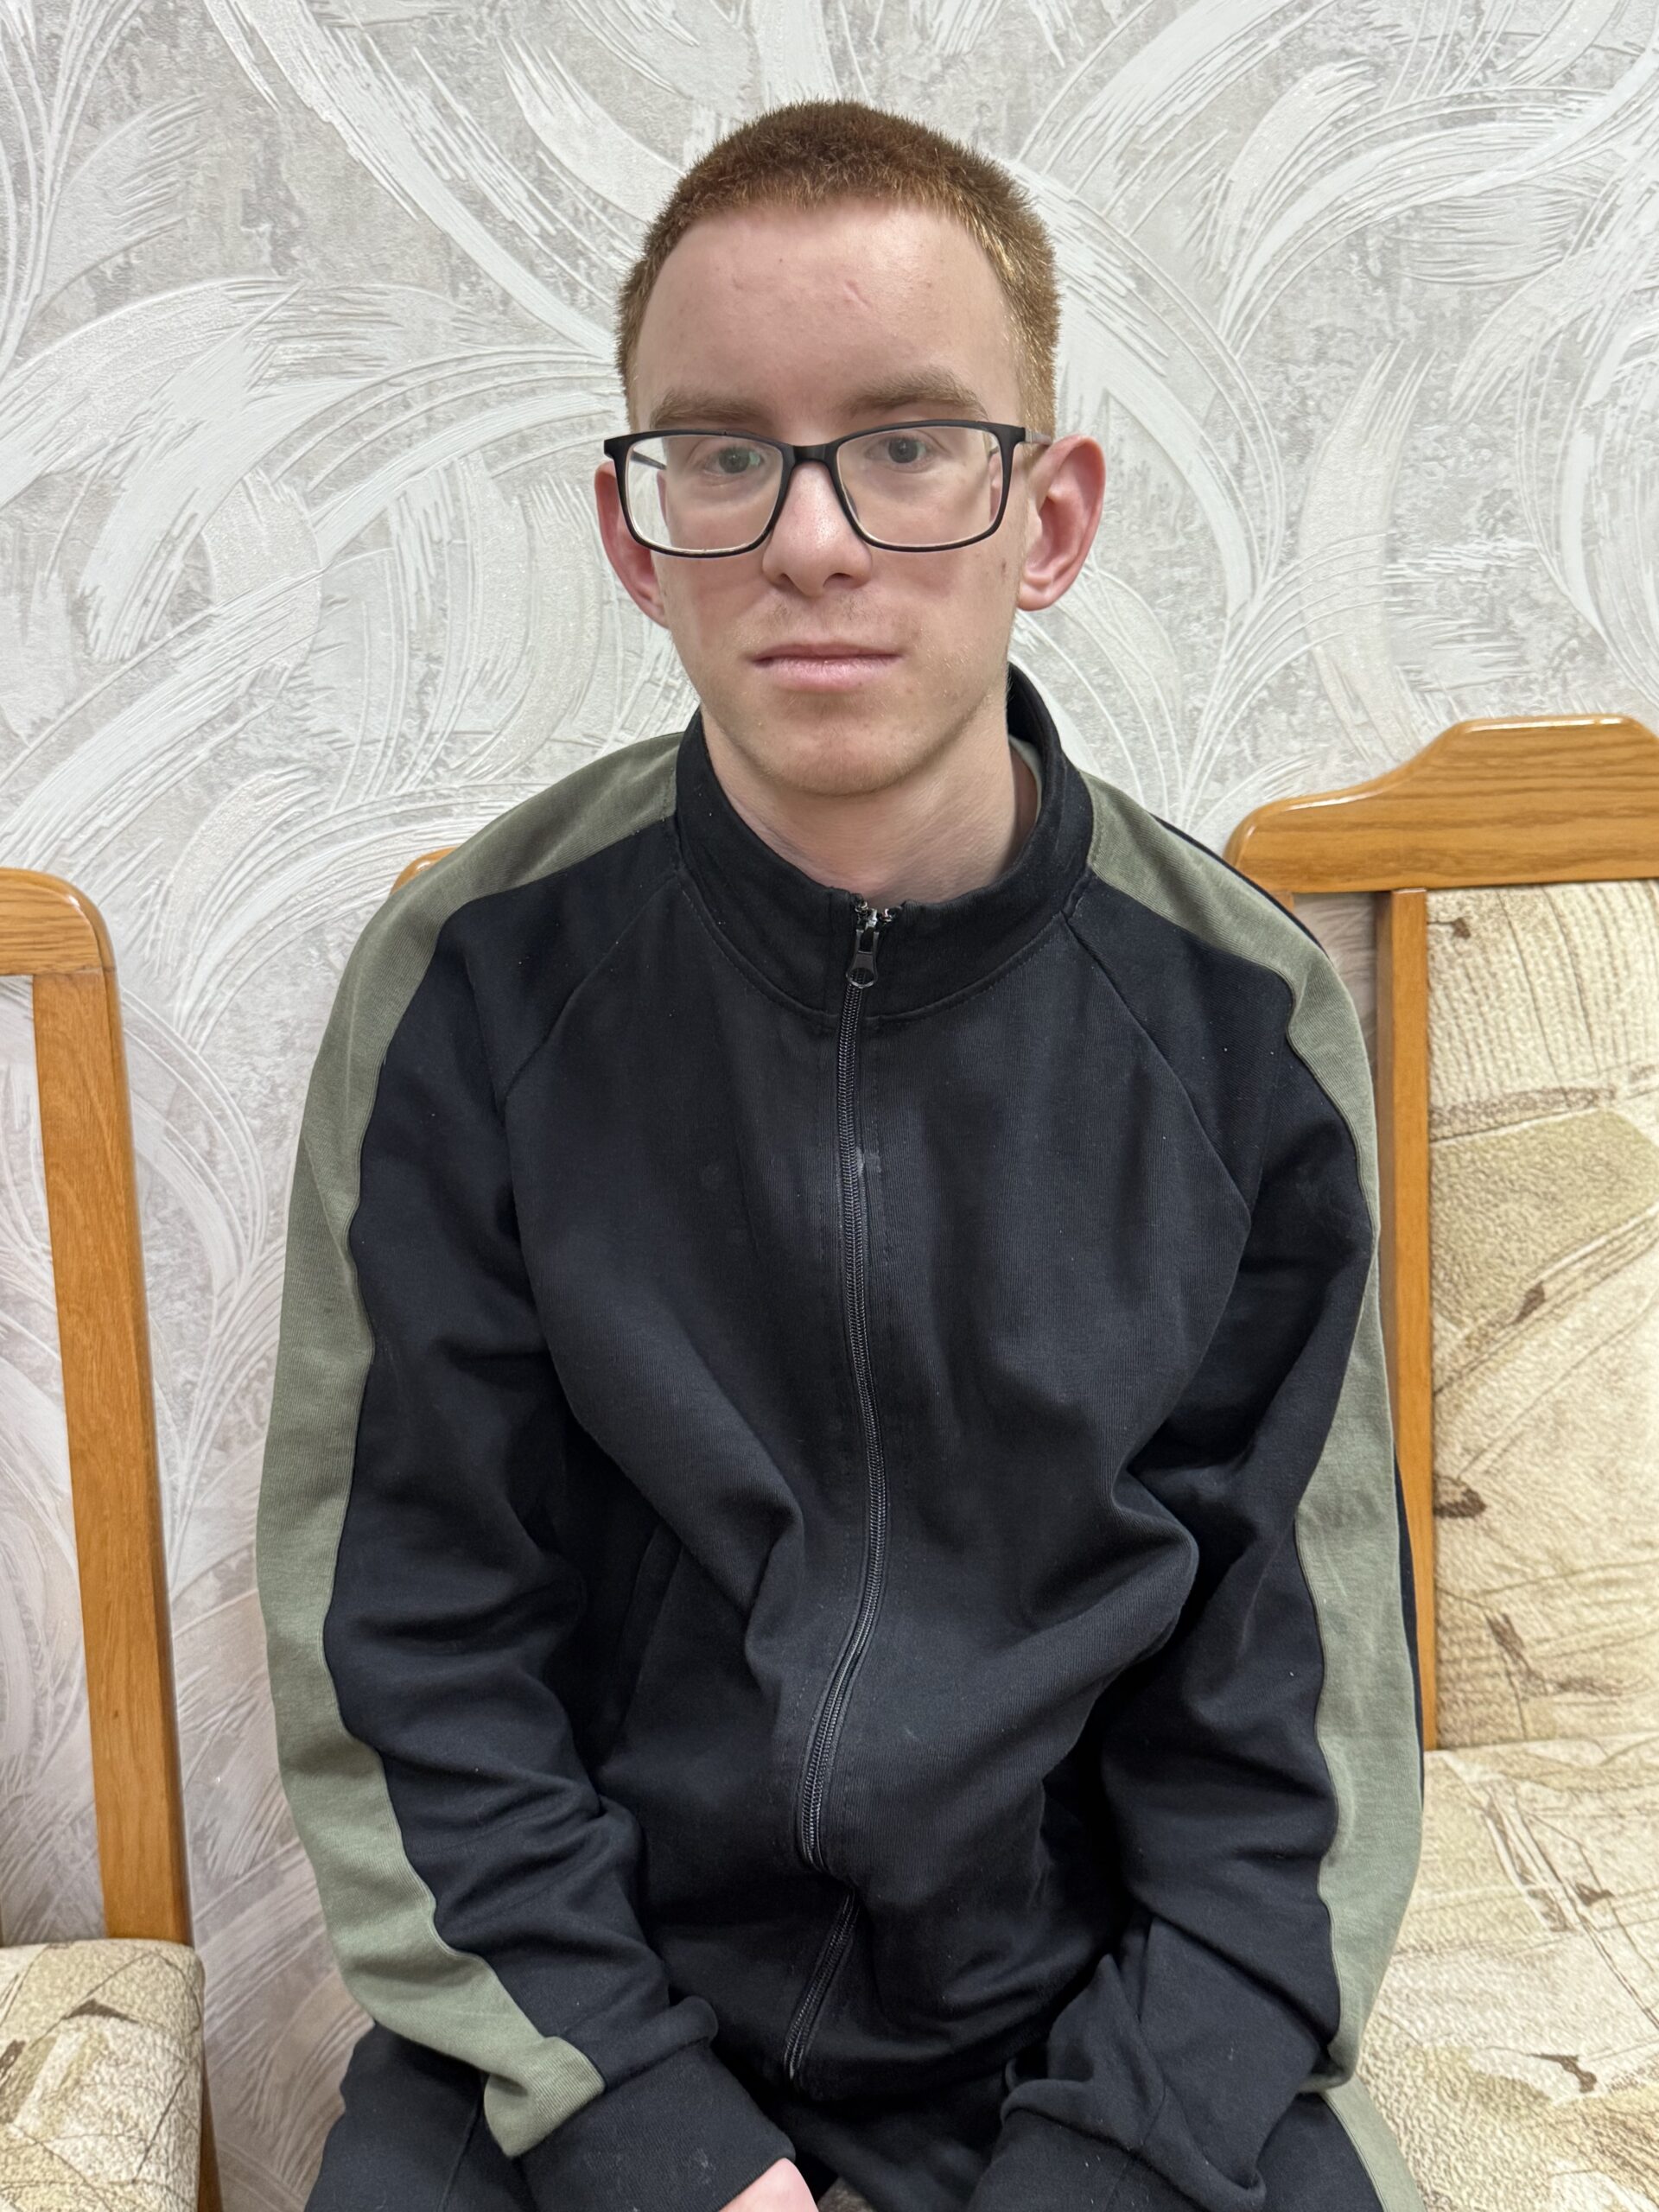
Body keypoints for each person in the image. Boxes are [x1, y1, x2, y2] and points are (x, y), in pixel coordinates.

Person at [256, 98, 1424, 2212]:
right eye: (722, 451)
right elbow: (411, 1647)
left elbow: (1294, 1727)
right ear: (636, 529)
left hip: (1087, 2047)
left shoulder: (1244, 1021)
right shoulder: (470, 983)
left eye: (904, 443)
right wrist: (655, 2132)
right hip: (585, 2046)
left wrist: (1114, 2144)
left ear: (1048, 515)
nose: (810, 537)